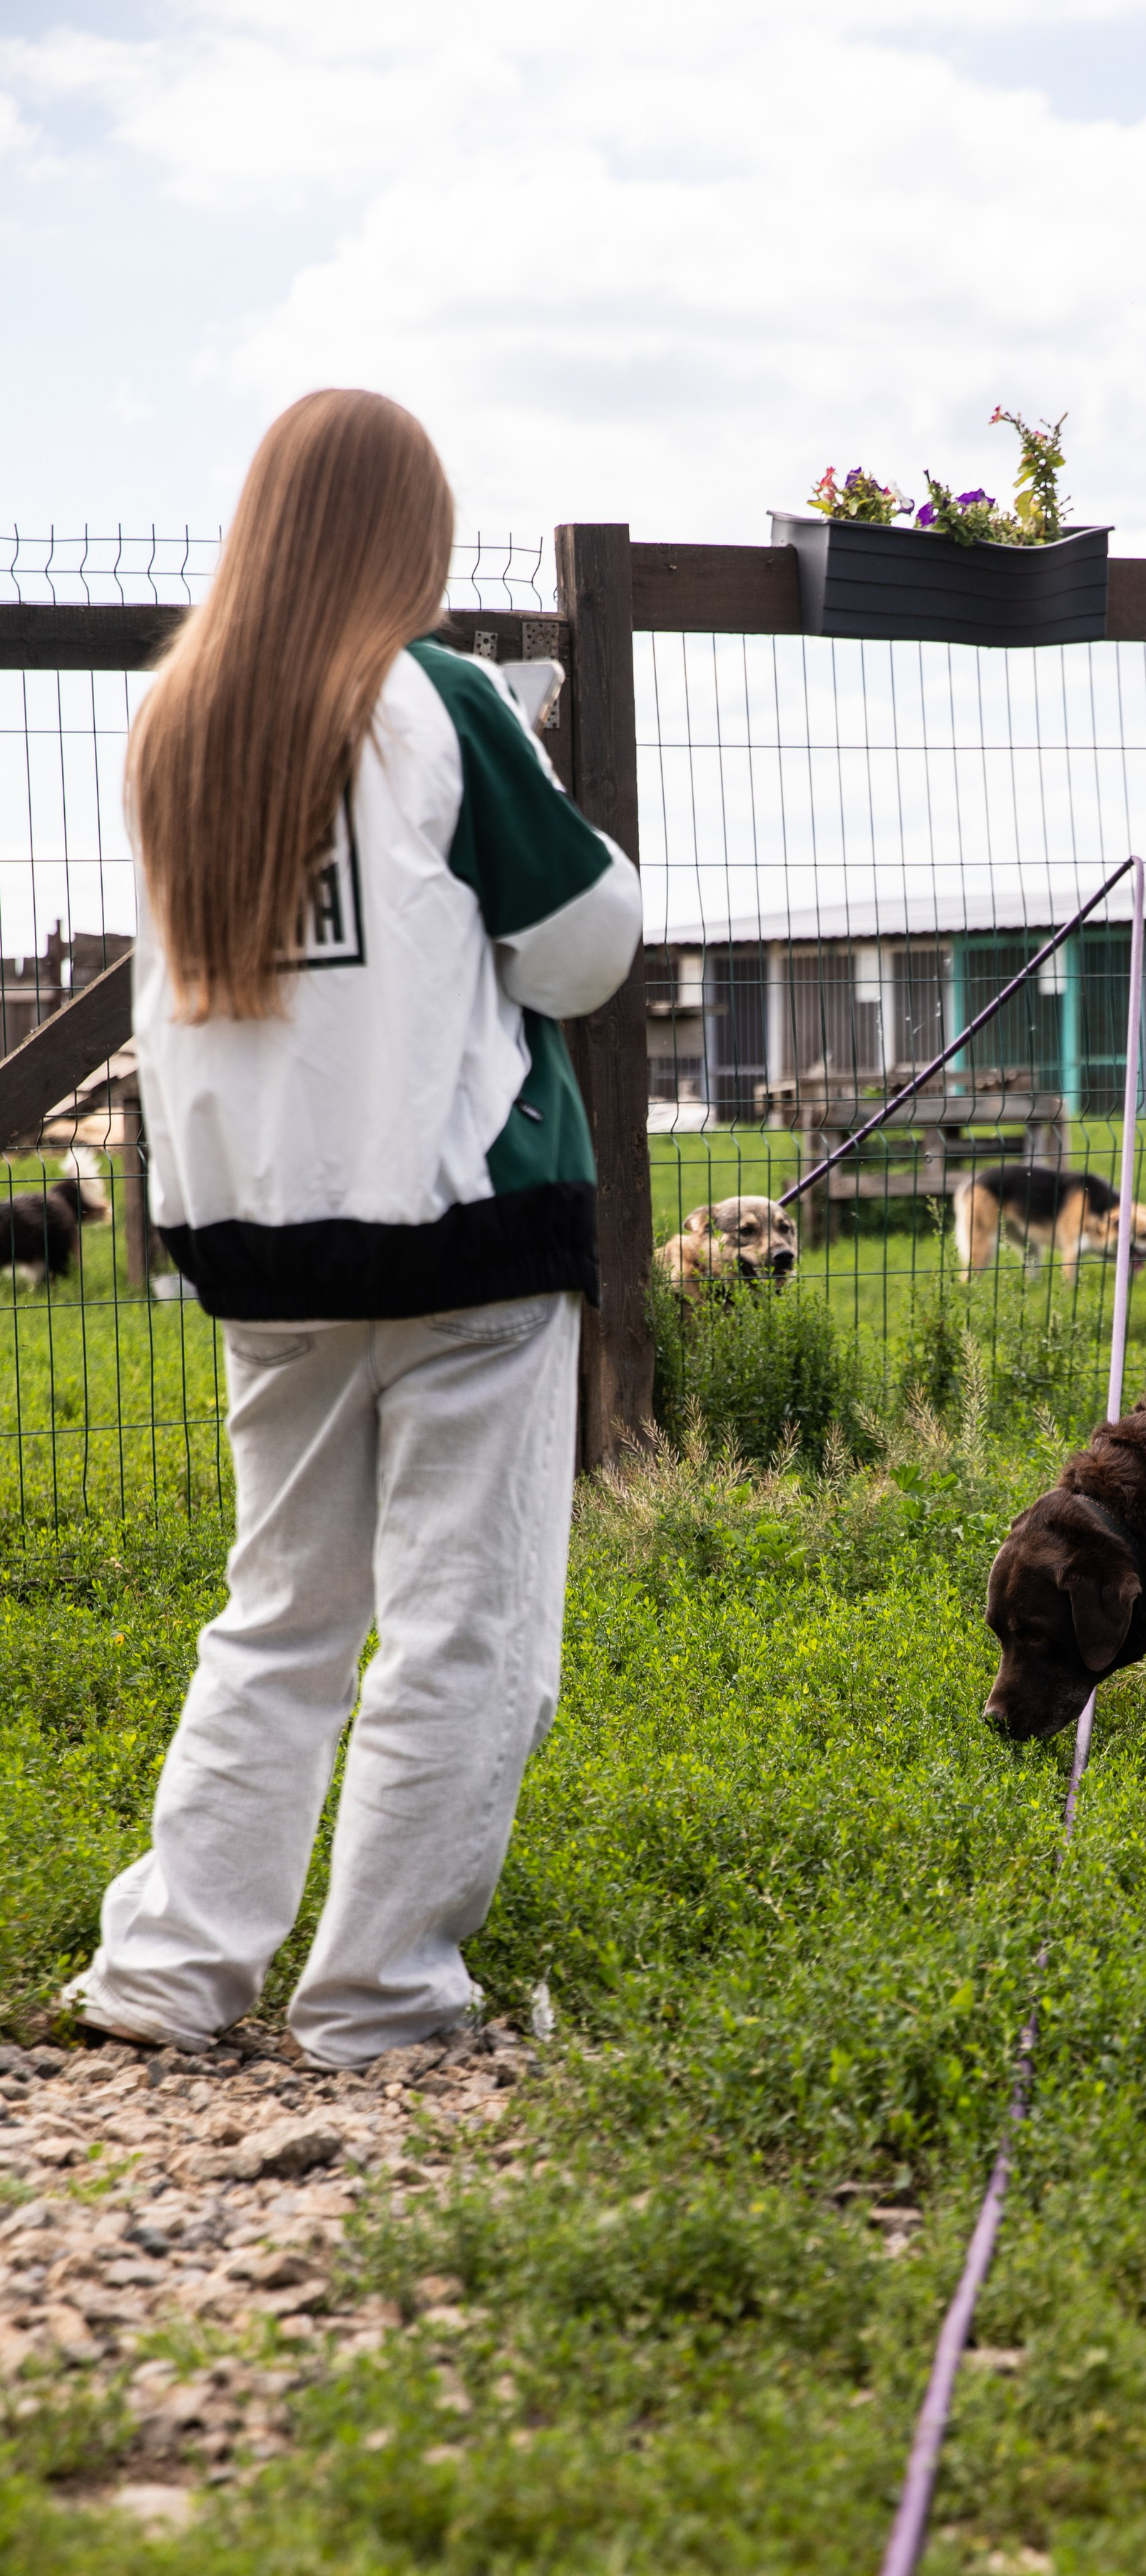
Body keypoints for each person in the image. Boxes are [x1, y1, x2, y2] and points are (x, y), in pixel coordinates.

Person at [61, 389, 640, 2069]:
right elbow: (581, 947)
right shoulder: (439, 700)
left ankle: (170, 1974)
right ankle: (381, 1996)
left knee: (282, 1613)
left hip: (265, 1248)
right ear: (407, 539)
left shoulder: (177, 723)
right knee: (466, 1623)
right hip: (467, 1228)